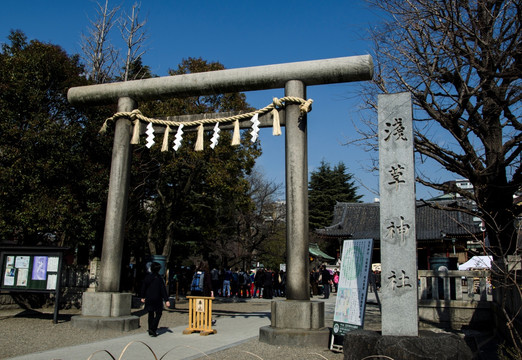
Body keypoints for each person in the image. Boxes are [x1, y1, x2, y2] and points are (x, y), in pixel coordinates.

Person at [140, 262, 170, 337]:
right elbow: (163, 289)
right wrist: (166, 300)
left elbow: (143, 287)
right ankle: (153, 328)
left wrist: (142, 296)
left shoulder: (147, 277)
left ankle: (150, 328)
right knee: (158, 313)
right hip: (157, 298)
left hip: (149, 297)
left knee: (150, 313)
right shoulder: (159, 278)